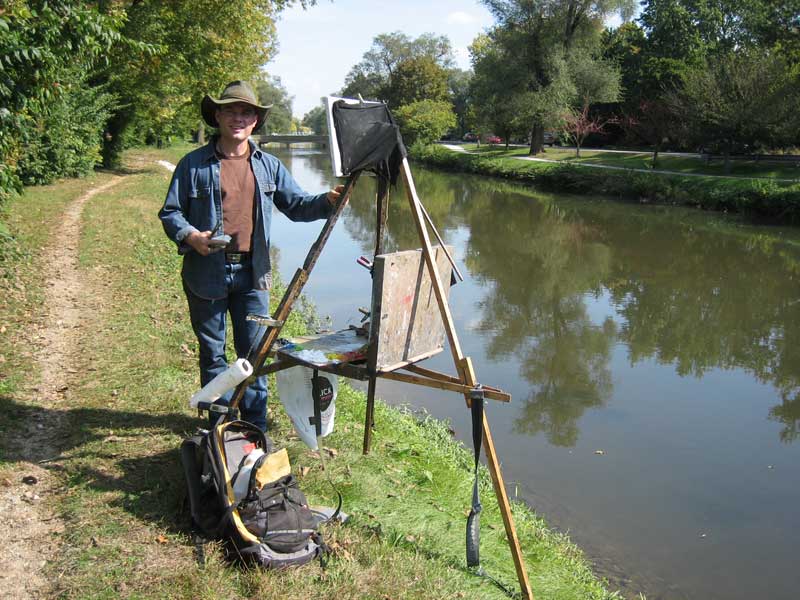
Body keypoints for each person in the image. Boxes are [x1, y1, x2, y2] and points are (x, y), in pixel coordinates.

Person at [158, 80, 343, 431]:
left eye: (246, 112)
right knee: (213, 355)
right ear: (217, 116)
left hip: (253, 276)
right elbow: (171, 213)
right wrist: (191, 236)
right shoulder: (192, 164)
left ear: (256, 120)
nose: (238, 118)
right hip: (205, 273)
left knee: (254, 356)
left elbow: (297, 205)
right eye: (230, 110)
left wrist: (326, 201)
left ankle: (254, 426)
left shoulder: (269, 166)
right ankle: (220, 426)